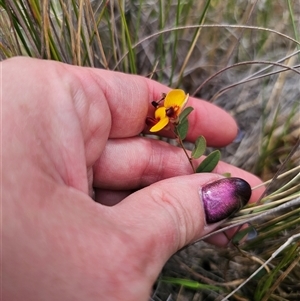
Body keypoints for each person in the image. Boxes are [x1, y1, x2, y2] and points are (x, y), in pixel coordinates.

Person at [2, 57, 263, 301]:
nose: (166, 111)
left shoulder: (170, 113)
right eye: (165, 110)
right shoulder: (161, 119)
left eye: (169, 111)